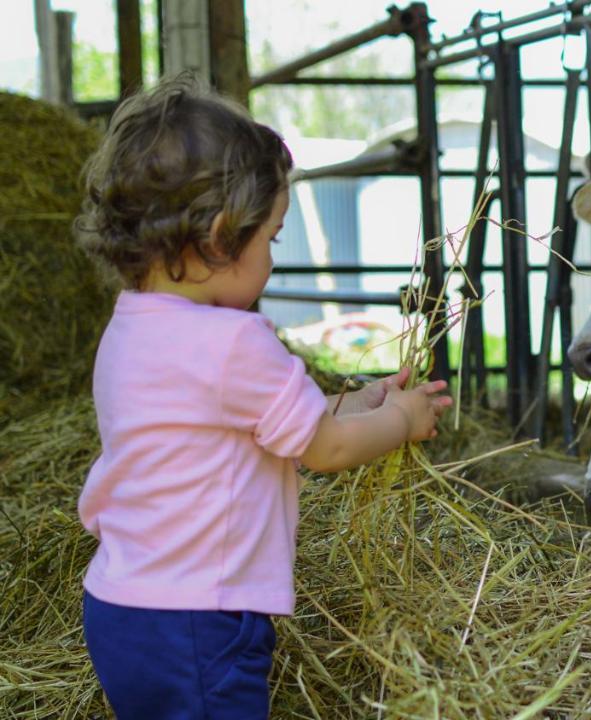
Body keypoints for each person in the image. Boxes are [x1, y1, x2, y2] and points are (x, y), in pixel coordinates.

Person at [73, 75, 451, 719]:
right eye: (271, 238)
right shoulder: (232, 342)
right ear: (223, 237)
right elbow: (323, 450)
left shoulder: (129, 329)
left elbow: (262, 426)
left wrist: (356, 405)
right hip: (199, 619)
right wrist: (402, 418)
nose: (273, 259)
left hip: (121, 609)